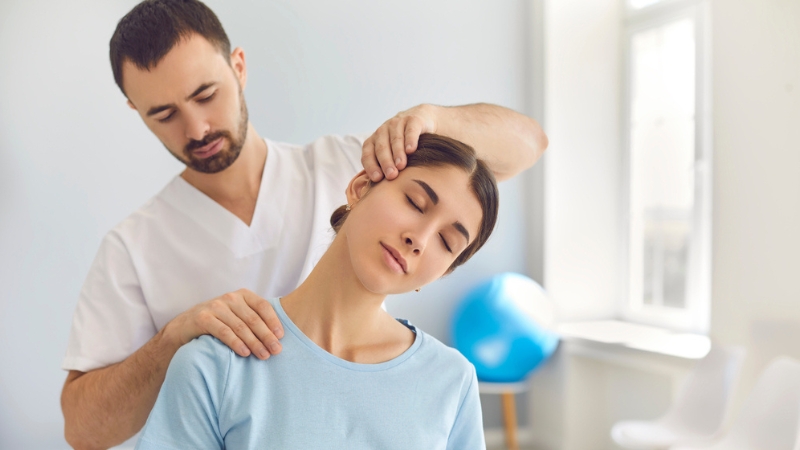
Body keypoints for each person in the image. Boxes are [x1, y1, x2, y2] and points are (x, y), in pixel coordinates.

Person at [59, 1, 548, 448]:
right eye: (164, 114)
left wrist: (431, 118)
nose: (197, 129)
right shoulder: (136, 253)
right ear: (135, 111)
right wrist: (172, 342)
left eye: (205, 95)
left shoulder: (351, 164)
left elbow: (522, 148)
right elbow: (82, 430)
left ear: (239, 67)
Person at [136, 134, 497, 450]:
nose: (418, 239)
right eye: (416, 203)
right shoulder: (218, 362)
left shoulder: (452, 381)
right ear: (360, 188)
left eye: (446, 242)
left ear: (442, 272)